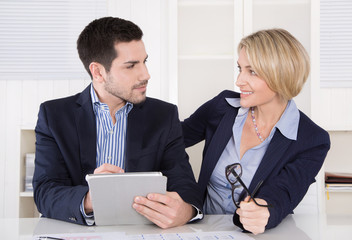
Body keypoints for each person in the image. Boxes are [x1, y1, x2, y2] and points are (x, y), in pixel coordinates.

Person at [33, 16, 203, 228]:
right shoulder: (54, 115)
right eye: (131, 66)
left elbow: (185, 185)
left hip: (144, 232)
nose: (146, 74)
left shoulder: (164, 116)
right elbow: (45, 191)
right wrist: (91, 198)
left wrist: (185, 211)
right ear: (98, 72)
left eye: (144, 62)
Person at [181, 28, 330, 235]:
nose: (239, 81)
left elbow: (285, 191)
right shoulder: (222, 107)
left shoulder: (312, 140)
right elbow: (172, 138)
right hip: (201, 232)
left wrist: (264, 210)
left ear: (280, 75)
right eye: (240, 68)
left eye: (252, 71)